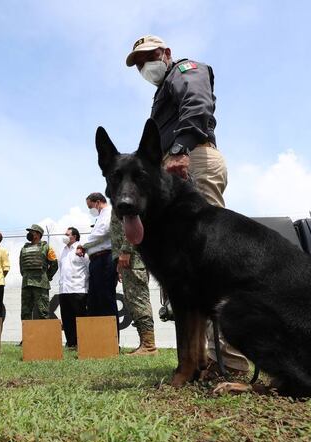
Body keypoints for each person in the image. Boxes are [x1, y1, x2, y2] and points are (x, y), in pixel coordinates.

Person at [126, 34, 249, 374]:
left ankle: (233, 363)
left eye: (147, 57)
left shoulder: (184, 69)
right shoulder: (161, 90)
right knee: (190, 272)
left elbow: (196, 102)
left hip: (190, 160)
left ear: (165, 52)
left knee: (212, 262)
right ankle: (203, 359)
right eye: (137, 63)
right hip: (175, 166)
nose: (143, 66)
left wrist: (179, 149)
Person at [111, 210, 157, 356]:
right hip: (129, 259)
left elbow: (133, 224)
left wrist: (126, 249)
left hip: (133, 257)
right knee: (132, 299)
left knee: (138, 299)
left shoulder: (127, 196)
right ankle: (145, 342)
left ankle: (149, 346)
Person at [76, 193, 118, 327]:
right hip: (95, 260)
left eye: (90, 206)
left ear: (98, 202)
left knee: (106, 298)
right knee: (94, 300)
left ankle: (111, 339)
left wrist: (84, 245)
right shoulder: (100, 217)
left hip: (105, 259)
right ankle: (96, 338)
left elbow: (103, 232)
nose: (90, 210)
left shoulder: (109, 212)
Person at [19, 224, 58, 320]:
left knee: (43, 312)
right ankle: (27, 335)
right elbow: (22, 266)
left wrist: (46, 277)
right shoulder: (24, 248)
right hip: (26, 284)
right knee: (25, 313)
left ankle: (45, 335)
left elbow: (54, 264)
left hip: (41, 284)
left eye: (31, 232)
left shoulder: (47, 247)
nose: (29, 234)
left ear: (37, 234)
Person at [58, 227, 88, 348]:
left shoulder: (81, 249)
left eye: (67, 234)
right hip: (64, 290)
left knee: (79, 317)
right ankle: (71, 343)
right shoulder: (63, 250)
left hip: (78, 288)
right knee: (67, 319)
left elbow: (88, 267)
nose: (65, 236)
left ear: (74, 236)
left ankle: (82, 343)